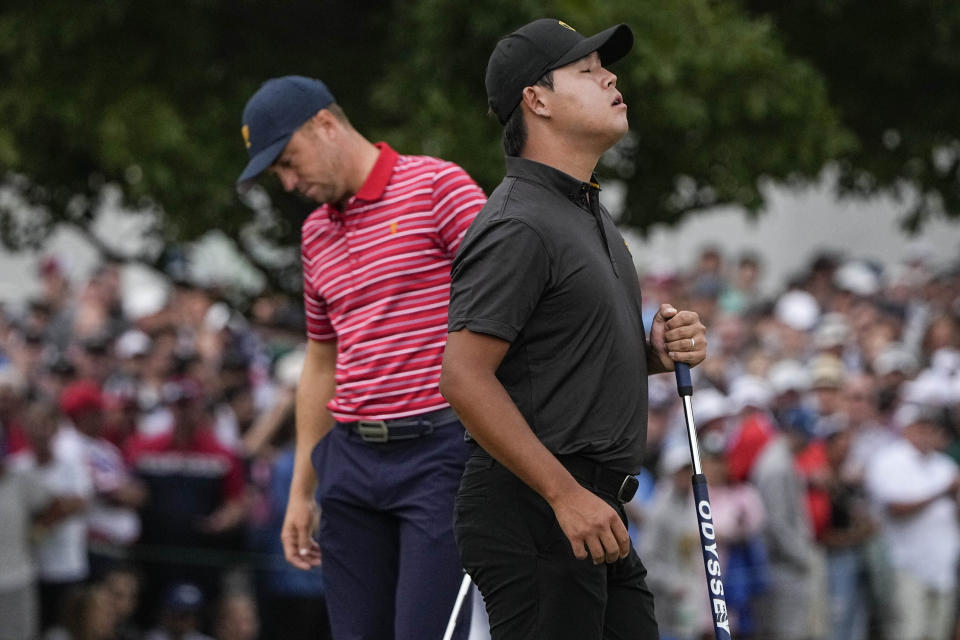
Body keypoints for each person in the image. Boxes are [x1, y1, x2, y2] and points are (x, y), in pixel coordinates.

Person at [439, 19, 707, 639]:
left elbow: (549, 360)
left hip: (589, 508)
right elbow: (463, 376)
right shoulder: (519, 223)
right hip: (540, 506)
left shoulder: (582, 210)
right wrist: (564, 497)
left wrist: (652, 354)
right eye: (586, 71)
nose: (610, 77)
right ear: (537, 100)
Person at [236, 75, 487, 639]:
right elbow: (321, 364)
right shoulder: (315, 234)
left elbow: (510, 297)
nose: (288, 180)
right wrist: (301, 490)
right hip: (349, 459)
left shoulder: (437, 187)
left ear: (325, 124)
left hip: (439, 452)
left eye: (288, 160)